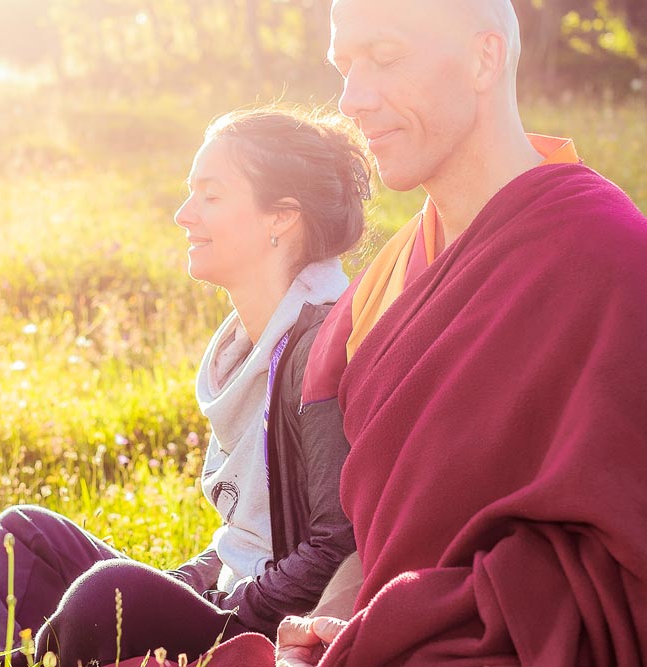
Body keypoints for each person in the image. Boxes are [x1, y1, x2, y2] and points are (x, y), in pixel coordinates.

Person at [271, 0, 647, 665]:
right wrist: (328, 625)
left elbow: (627, 559)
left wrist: (412, 625)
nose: (351, 99)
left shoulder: (609, 256)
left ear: (485, 57)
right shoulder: (384, 281)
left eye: (384, 59)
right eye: (343, 66)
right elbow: (377, 531)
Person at [0, 106, 372, 666]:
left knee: (105, 595)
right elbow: (243, 540)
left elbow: (336, 546)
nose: (183, 214)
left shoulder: (317, 350)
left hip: (267, 627)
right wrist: (178, 586)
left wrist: (216, 607)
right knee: (19, 536)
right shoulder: (246, 349)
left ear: (281, 217)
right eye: (189, 193)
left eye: (211, 195)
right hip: (230, 597)